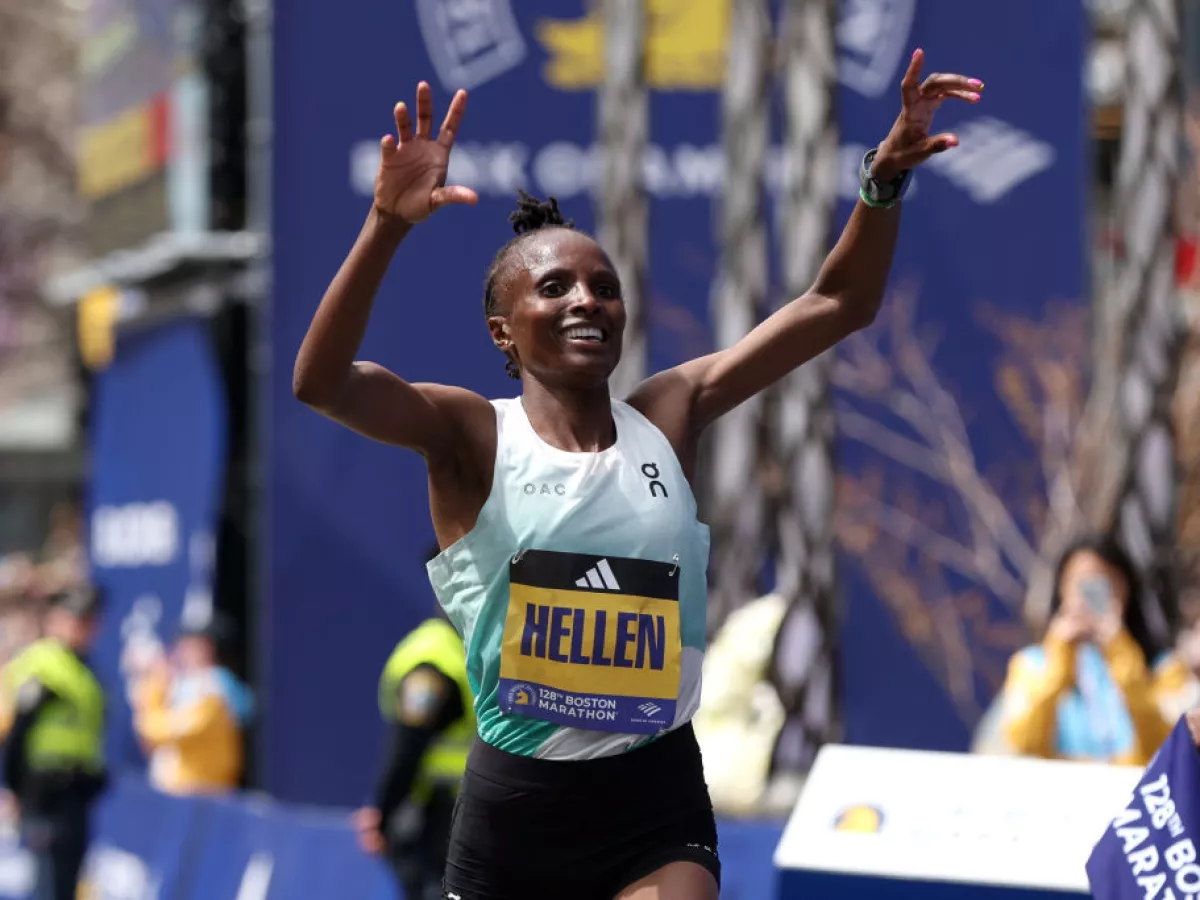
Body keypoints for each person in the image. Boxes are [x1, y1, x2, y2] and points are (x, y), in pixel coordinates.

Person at [293, 49, 982, 900]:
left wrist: (882, 183)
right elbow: (321, 383)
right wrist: (385, 225)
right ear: (504, 330)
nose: (587, 299)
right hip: (520, 810)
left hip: (655, 794)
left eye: (604, 286)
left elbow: (839, 303)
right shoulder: (471, 435)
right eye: (554, 287)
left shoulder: (668, 412)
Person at [353, 546, 475, 900]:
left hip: (462, 817)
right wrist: (384, 813)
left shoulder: (469, 647)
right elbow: (407, 745)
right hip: (434, 819)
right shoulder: (432, 660)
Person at [999, 536, 1170, 766]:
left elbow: (1170, 747)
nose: (1090, 595)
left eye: (1106, 582)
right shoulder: (1030, 665)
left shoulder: (1164, 667)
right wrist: (1059, 660)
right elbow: (1021, 746)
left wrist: (1120, 651)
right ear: (1062, 588)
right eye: (1081, 582)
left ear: (1128, 588)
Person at [0, 587, 106, 900]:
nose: (81, 628)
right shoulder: (43, 663)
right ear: (54, 620)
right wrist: (14, 788)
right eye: (74, 619)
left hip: (77, 790)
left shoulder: (82, 667)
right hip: (44, 790)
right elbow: (18, 730)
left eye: (87, 621)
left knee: (66, 883)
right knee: (48, 883)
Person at [126, 612, 254, 795]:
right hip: (176, 788)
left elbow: (164, 731)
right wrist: (154, 681)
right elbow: (149, 742)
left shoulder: (215, 686)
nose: (183, 651)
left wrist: (149, 718)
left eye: (191, 644)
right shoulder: (178, 684)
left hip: (205, 792)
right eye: (182, 644)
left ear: (207, 647)